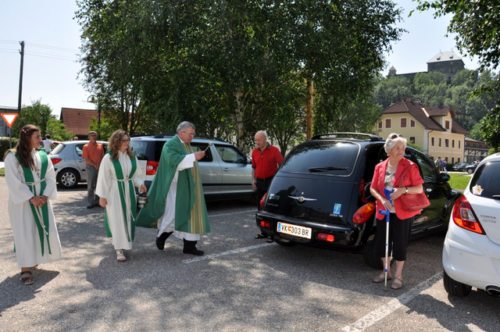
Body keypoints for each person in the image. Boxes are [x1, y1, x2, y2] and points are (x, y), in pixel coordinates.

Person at [136, 121, 210, 256]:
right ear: (181, 133)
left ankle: (189, 246)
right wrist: (194, 156)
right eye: (190, 133)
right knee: (174, 213)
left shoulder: (186, 144)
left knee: (190, 214)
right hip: (175, 187)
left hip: (189, 186)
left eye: (193, 133)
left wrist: (193, 156)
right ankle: (162, 236)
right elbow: (173, 161)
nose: (192, 136)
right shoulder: (170, 145)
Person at [4, 124, 63, 285]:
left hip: (42, 199)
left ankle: (34, 259)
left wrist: (44, 195)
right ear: (27, 138)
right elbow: (13, 181)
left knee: (39, 230)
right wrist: (31, 197)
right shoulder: (12, 157)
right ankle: (25, 268)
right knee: (25, 232)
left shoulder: (43, 156)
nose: (41, 139)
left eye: (40, 136)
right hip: (23, 203)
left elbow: (51, 176)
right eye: (37, 136)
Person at [369, 133, 424, 290]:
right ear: (389, 149)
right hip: (384, 210)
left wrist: (403, 190)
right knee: (381, 244)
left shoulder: (410, 166)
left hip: (402, 212)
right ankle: (386, 271)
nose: (401, 151)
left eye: (403, 148)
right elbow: (373, 188)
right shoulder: (380, 167)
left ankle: (399, 276)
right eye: (397, 148)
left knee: (400, 245)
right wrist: (382, 199)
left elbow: (419, 188)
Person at [95, 130, 146, 262]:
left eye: (128, 140)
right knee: (117, 219)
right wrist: (102, 196)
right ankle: (118, 249)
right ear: (116, 142)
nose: (127, 143)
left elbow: (136, 175)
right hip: (115, 192)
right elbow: (103, 178)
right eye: (124, 140)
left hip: (129, 191)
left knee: (128, 217)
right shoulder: (109, 157)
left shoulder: (132, 156)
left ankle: (126, 244)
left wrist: (140, 184)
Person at [251, 130, 284, 209]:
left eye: (259, 140)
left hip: (270, 182)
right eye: (256, 140)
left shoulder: (274, 150)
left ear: (265, 139)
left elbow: (282, 165)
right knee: (259, 205)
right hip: (259, 182)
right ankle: (260, 220)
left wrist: (278, 180)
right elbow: (253, 167)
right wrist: (253, 180)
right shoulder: (254, 152)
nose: (257, 142)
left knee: (270, 204)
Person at [82, 131, 105, 209]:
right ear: (89, 137)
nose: (94, 136)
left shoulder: (100, 145)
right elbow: (86, 159)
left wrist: (100, 165)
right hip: (91, 168)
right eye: (92, 135)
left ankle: (98, 201)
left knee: (99, 185)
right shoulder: (85, 146)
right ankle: (90, 202)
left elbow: (103, 157)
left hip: (100, 167)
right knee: (91, 186)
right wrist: (95, 165)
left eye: (95, 135)